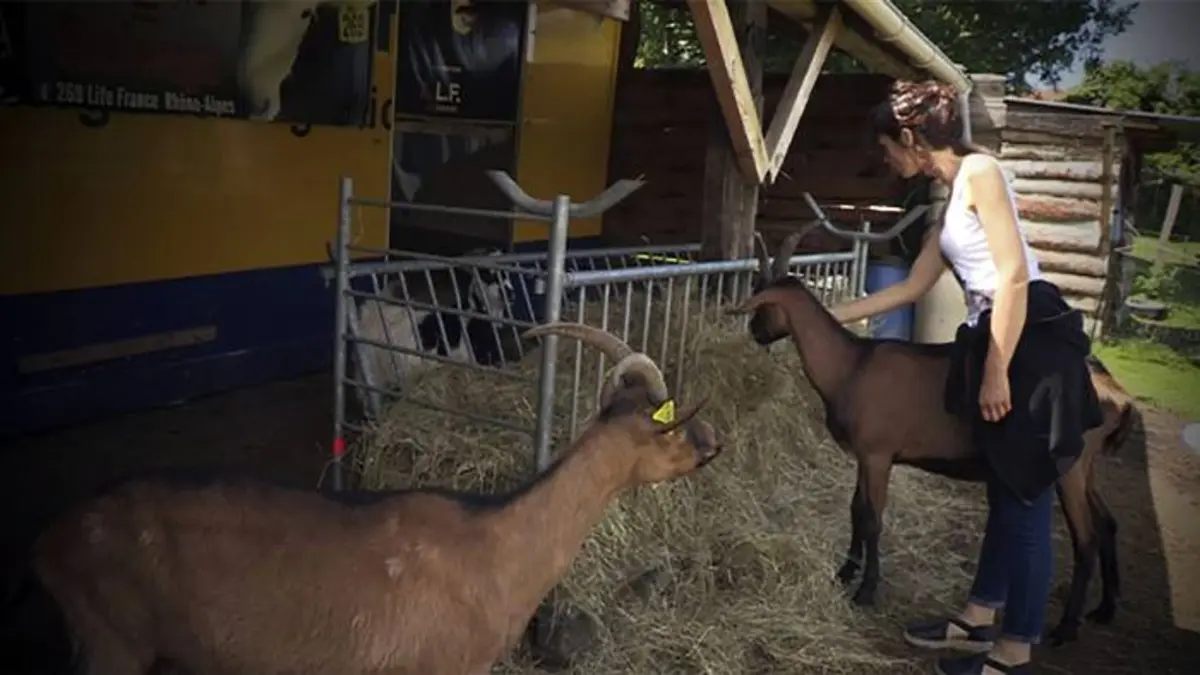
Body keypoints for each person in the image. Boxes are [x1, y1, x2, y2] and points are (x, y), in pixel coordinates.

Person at [826, 80, 1106, 675]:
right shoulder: (950, 197)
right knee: (1005, 491)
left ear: (909, 138)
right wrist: (823, 316)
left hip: (1027, 343)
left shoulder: (982, 173)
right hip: (997, 340)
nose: (886, 160)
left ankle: (1014, 648)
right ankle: (981, 616)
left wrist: (998, 372)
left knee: (1027, 498)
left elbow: (1010, 278)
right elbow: (909, 288)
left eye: (888, 149)